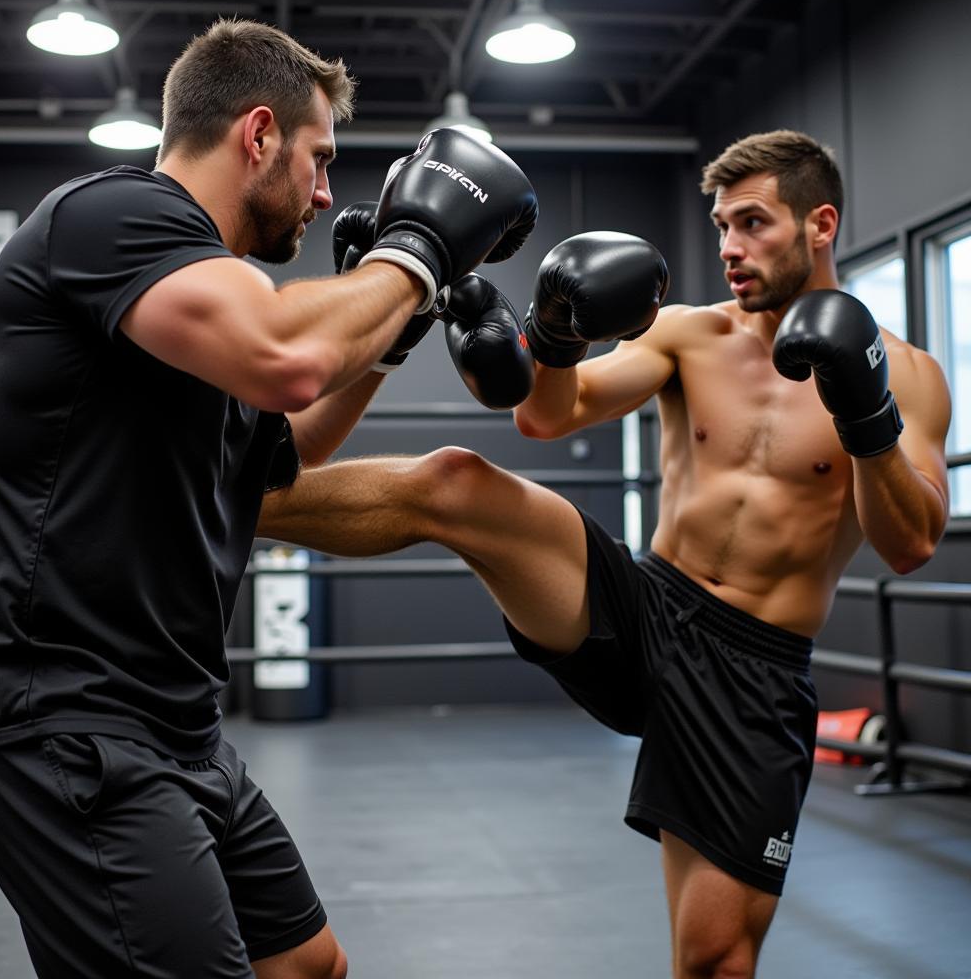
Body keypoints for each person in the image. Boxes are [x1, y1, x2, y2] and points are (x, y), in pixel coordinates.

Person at [257, 129, 952, 978]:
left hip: (756, 671)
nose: (729, 247)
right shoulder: (691, 335)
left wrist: (865, 412)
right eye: (721, 225)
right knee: (454, 483)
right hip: (646, 608)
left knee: (716, 961)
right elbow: (549, 415)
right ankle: (231, 500)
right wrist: (555, 334)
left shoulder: (909, 376)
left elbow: (910, 542)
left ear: (821, 224)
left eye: (753, 224)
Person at [0, 17, 538, 979]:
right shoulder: (112, 216)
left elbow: (285, 447)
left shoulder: (196, 310)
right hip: (65, 726)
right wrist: (418, 249)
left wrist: (393, 328)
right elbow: (288, 359)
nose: (325, 191)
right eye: (317, 159)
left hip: (176, 723)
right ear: (257, 135)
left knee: (309, 964)